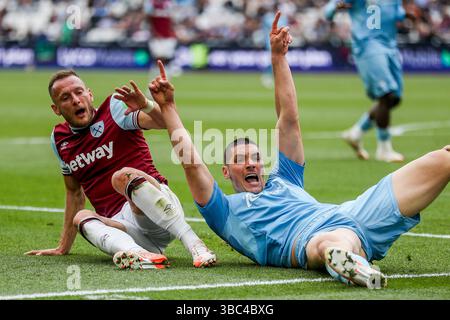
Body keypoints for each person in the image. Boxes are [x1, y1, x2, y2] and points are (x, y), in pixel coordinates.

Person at [149, 12, 449, 288]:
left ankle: (352, 257)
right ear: (226, 171)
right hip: (310, 239)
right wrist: (168, 107)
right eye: (241, 160)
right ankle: (352, 262)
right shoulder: (224, 211)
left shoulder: (286, 178)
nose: (252, 164)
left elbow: (289, 120)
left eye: (256, 157)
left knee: (442, 159)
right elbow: (191, 163)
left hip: (352, 212)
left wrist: (278, 57)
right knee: (333, 243)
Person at [25, 70, 216, 269]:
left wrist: (147, 106)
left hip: (156, 206)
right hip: (123, 228)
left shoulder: (114, 109)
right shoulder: (59, 139)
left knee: (122, 176)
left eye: (79, 92)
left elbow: (164, 123)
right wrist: (63, 247)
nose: (75, 100)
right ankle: (139, 254)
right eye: (65, 98)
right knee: (80, 218)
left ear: (89, 94)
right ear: (56, 109)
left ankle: (195, 244)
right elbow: (74, 192)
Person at [324, 0, 406, 162]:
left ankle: (356, 133)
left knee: (394, 98)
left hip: (390, 47)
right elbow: (328, 11)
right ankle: (384, 149)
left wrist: (408, 15)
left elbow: (398, 15)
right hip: (368, 45)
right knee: (386, 94)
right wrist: (335, 8)